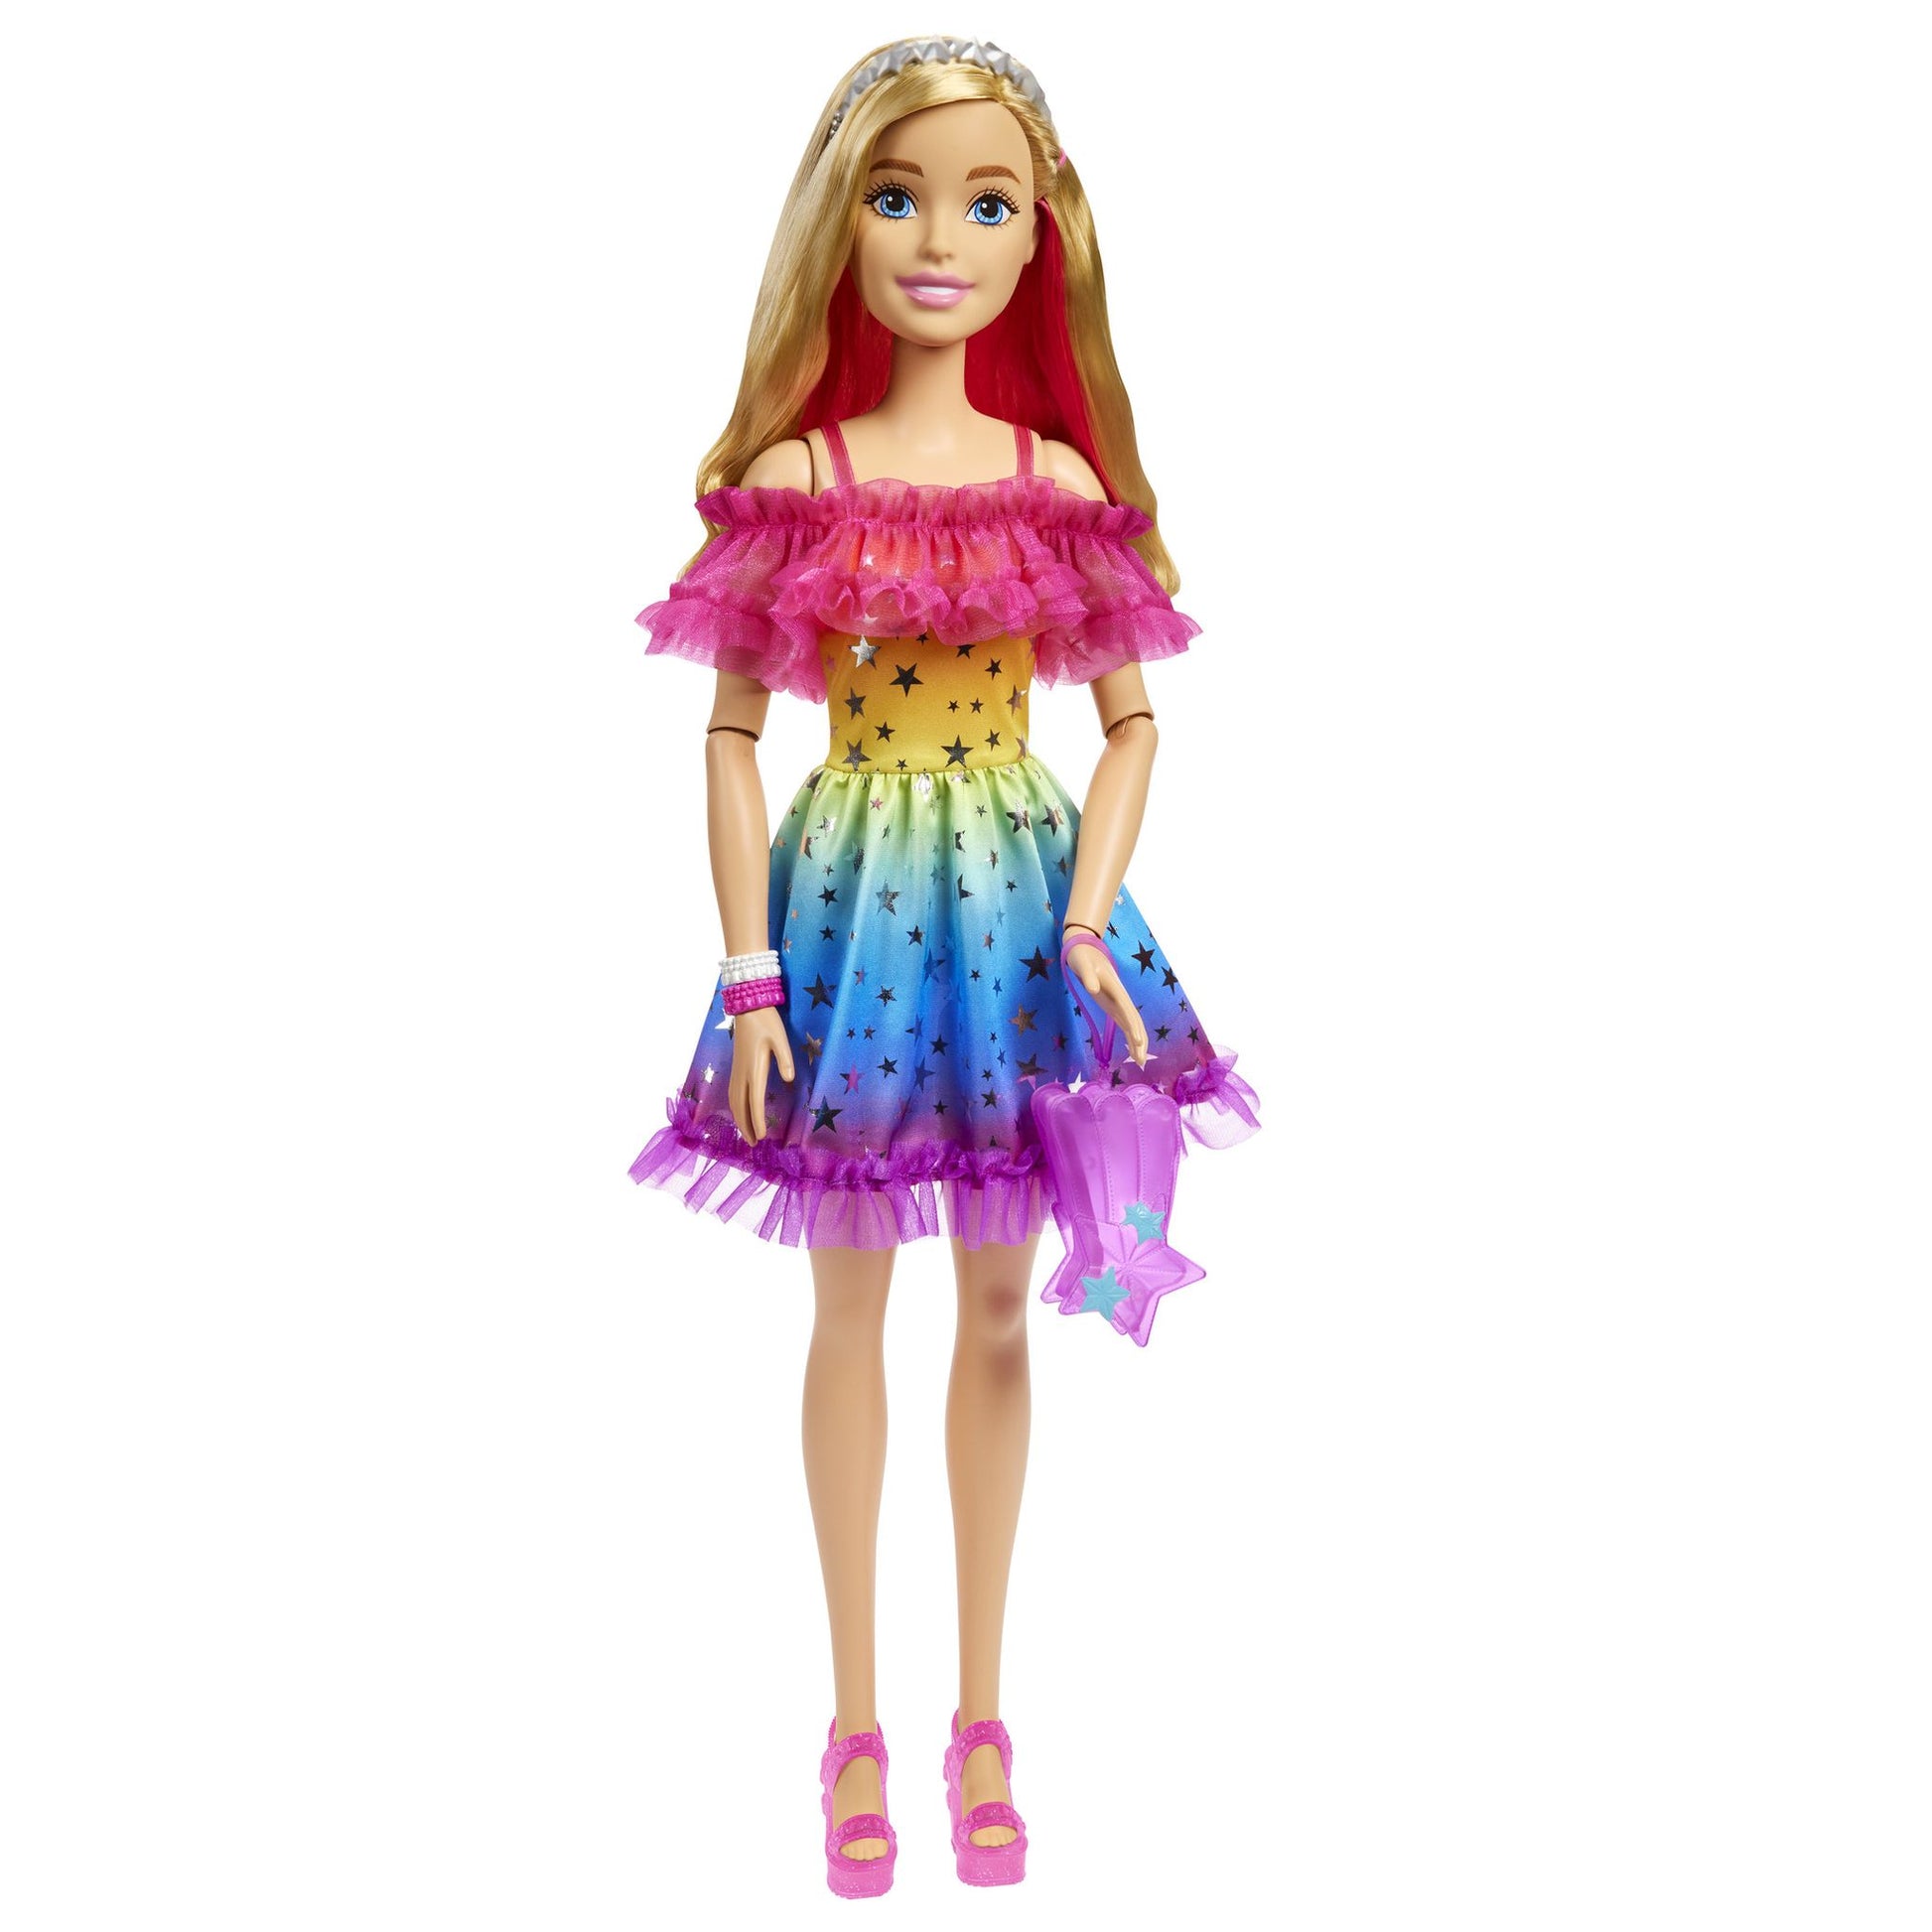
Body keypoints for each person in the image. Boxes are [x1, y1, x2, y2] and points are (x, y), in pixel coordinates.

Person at [626, 37, 1261, 1895]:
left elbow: (1132, 722)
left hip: (1015, 901)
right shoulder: (795, 474)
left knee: (997, 1306)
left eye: (985, 203)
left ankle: (982, 1717)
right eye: (897, 197)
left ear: (1040, 233)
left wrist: (1089, 915)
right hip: (849, 911)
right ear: (840, 220)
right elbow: (729, 735)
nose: (936, 241)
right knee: (846, 1304)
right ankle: (852, 1727)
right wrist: (749, 972)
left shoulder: (1056, 477)